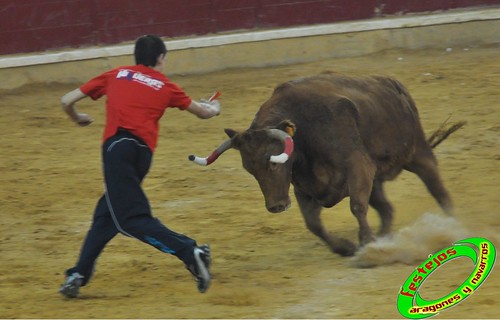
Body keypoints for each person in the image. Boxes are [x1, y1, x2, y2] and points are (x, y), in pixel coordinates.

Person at [58, 35, 221, 298]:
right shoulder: (166, 85)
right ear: (160, 58)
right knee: (107, 214)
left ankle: (190, 252)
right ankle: (78, 274)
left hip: (117, 149)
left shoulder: (117, 74)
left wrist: (78, 118)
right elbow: (202, 112)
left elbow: (66, 100)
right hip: (142, 155)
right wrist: (214, 108)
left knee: (130, 219)